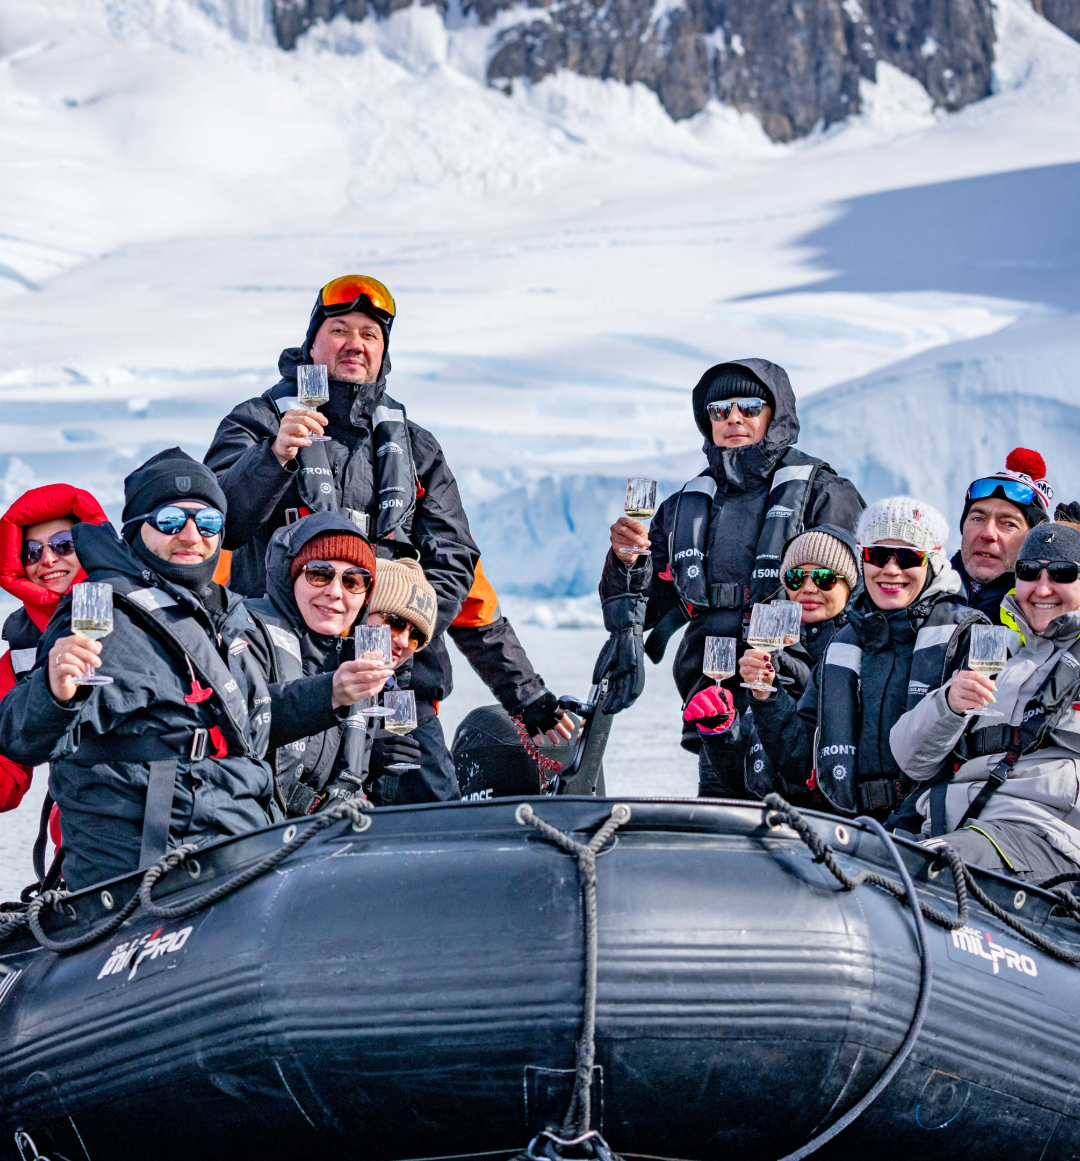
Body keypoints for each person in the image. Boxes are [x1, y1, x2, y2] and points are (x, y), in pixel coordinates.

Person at [203, 275, 570, 759]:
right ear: (311, 345)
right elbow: (212, 530)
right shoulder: (257, 424)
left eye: (369, 334)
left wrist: (523, 696)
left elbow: (459, 570)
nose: (354, 343)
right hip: (286, 685)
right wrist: (270, 459)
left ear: (383, 352)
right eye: (339, 330)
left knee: (429, 805)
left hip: (398, 693)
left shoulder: (415, 448)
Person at [0, 449, 390, 891]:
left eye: (207, 523)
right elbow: (20, 736)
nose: (191, 535)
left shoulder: (225, 614)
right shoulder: (105, 613)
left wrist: (331, 693)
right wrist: (54, 692)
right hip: (150, 868)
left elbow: (248, 721)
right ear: (137, 529)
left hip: (236, 845)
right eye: (170, 521)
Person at [600, 358, 864, 798]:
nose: (734, 418)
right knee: (724, 827)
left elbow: (860, 596)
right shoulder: (684, 506)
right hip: (714, 703)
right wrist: (626, 561)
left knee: (802, 826)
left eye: (749, 407)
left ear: (775, 414)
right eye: (720, 410)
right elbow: (647, 608)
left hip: (800, 706)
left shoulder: (823, 492)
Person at [736, 498, 984, 820]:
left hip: (932, 826)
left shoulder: (965, 634)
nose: (891, 570)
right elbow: (802, 762)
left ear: (932, 563)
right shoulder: (843, 643)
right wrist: (766, 694)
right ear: (863, 559)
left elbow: (980, 756)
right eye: (877, 555)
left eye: (908, 556)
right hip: (851, 827)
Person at [891, 522, 1080, 884]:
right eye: (1029, 572)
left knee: (915, 869)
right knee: (849, 857)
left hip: (1047, 838)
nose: (1042, 588)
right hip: (952, 827)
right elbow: (910, 759)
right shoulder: (996, 653)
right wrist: (949, 704)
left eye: (1062, 573)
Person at [245, 511, 394, 816]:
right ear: (291, 577)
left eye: (353, 581)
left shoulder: (359, 658)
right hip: (251, 827)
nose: (335, 592)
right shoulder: (244, 631)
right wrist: (329, 694)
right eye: (319, 574)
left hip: (327, 831)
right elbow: (237, 720)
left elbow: (354, 776)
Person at [726, 526, 860, 800]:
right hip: (771, 809)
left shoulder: (865, 646)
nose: (808, 588)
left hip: (837, 811)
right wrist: (717, 733)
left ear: (851, 584)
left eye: (824, 577)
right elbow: (740, 777)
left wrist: (769, 697)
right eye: (796, 577)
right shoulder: (767, 648)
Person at [0, 485, 108, 814]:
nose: (47, 559)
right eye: (31, 551)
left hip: (185, 820)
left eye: (64, 544)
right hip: (84, 832)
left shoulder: (147, 611)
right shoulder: (21, 655)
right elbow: (8, 767)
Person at [364, 556, 447, 802]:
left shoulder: (395, 694)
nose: (402, 642)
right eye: (395, 622)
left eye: (416, 636)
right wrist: (363, 758)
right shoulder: (316, 671)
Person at [952, 448, 1053, 621]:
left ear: (1033, 541)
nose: (988, 533)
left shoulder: (1047, 616)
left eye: (1008, 524)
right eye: (978, 518)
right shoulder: (919, 593)